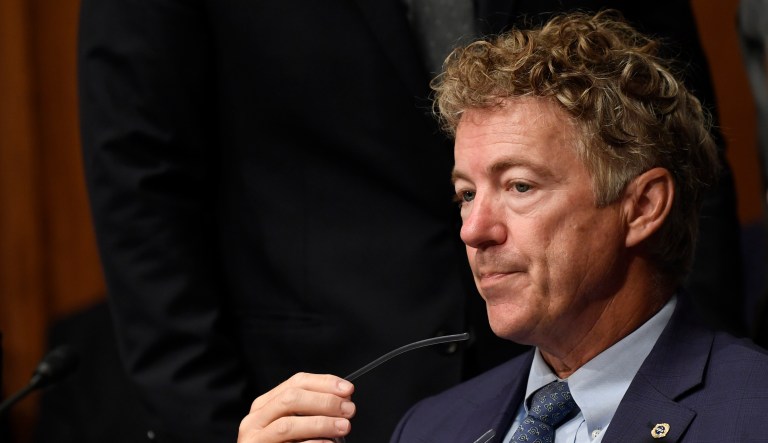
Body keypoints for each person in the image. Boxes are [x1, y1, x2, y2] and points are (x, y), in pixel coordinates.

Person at [237, 11, 768, 442]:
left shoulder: (753, 412)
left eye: (519, 186)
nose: (474, 231)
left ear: (643, 206)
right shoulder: (431, 428)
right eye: (466, 194)